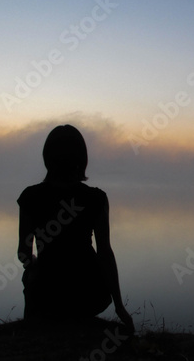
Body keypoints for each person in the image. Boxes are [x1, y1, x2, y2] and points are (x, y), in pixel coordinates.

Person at [17, 124, 134, 333]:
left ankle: (34, 327)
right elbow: (105, 252)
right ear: (81, 158)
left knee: (31, 275)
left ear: (47, 157)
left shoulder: (30, 197)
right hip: (88, 291)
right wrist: (119, 306)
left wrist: (37, 263)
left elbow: (24, 254)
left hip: (47, 291)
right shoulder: (96, 198)